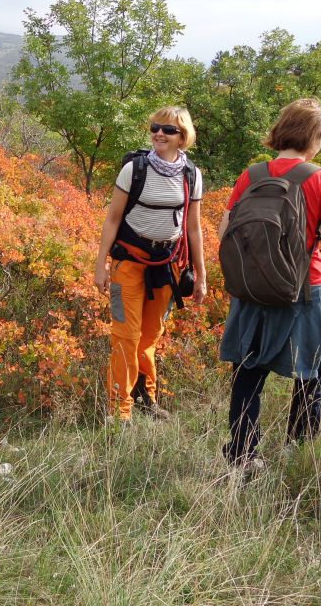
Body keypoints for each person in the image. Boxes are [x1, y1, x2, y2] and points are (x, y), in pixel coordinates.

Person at [217, 98, 321, 477]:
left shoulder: (253, 174)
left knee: (248, 369)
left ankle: (242, 456)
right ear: (316, 137)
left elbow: (225, 231)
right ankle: (299, 445)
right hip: (305, 289)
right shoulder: (320, 178)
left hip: (253, 288)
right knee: (313, 366)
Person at [95, 107, 207, 422]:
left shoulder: (191, 175)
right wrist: (100, 264)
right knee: (125, 336)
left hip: (167, 266)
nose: (159, 133)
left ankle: (146, 398)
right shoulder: (134, 169)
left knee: (150, 336)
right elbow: (113, 218)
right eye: (156, 127)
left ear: (183, 137)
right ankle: (120, 412)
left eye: (168, 130)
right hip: (128, 262)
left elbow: (194, 228)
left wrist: (200, 274)